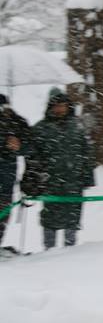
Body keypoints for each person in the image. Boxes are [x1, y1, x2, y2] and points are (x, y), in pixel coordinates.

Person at [22, 89, 95, 249]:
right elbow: (32, 156)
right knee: (50, 219)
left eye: (63, 105)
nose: (60, 109)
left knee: (72, 219)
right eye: (57, 105)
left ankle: (70, 250)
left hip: (74, 181)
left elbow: (86, 153)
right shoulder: (40, 129)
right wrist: (33, 179)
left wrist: (87, 177)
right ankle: (49, 250)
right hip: (50, 181)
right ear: (50, 107)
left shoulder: (77, 126)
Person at [0, 94, 30, 245]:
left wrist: (19, 146)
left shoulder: (17, 122)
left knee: (3, 214)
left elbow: (31, 146)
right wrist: (4, 143)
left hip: (6, 179)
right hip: (7, 176)